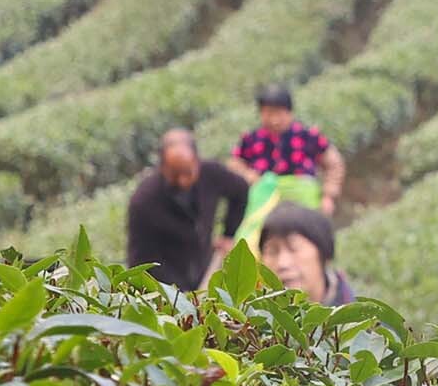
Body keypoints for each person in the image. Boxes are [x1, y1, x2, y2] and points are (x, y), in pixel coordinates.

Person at [125, 128, 249, 290]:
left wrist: (228, 233)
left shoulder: (211, 174)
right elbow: (140, 260)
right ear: (162, 167)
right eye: (175, 174)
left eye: (188, 173)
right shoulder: (144, 201)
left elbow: (240, 190)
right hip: (168, 282)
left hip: (203, 266)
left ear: (197, 162)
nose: (182, 181)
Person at [235, 83, 345, 216]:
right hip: (265, 202)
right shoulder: (251, 139)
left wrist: (328, 196)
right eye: (268, 114)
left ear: (289, 112)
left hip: (302, 200)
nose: (274, 120)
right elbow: (235, 163)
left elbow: (334, 164)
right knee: (247, 233)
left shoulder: (308, 136)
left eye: (279, 114)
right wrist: (248, 175)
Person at [254, 201, 354, 304]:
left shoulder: (360, 316)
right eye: (272, 251)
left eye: (294, 248)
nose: (283, 263)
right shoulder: (249, 316)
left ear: (324, 253)